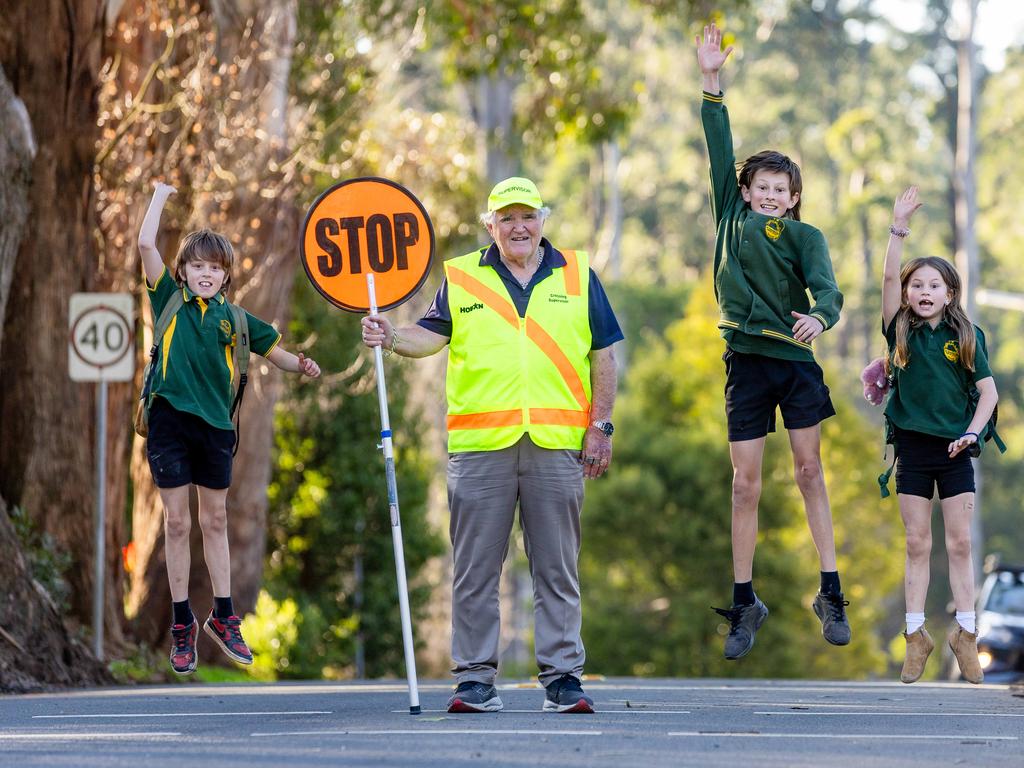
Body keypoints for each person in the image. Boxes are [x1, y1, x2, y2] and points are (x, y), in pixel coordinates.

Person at [361, 177, 622, 713]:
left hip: (558, 446)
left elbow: (603, 356)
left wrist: (603, 425)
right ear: (491, 225)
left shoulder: (577, 275)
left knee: (558, 568)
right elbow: (427, 337)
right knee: (475, 570)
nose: (518, 226)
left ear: (542, 220)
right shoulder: (460, 277)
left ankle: (563, 680)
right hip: (481, 450)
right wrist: (389, 335)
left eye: (527, 216)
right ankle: (475, 679)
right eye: (507, 218)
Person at [696, 24, 850, 660]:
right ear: (746, 190)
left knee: (810, 471)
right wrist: (711, 81)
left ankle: (831, 590)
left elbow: (830, 295)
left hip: (794, 363)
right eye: (759, 186)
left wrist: (822, 319)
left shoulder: (807, 237)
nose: (768, 196)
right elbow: (718, 142)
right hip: (746, 363)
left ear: (791, 200)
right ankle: (743, 601)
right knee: (745, 484)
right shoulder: (730, 213)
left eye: (779, 191)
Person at [138, 181, 321, 674]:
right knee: (177, 523)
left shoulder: (236, 320)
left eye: (214, 268)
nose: (205, 274)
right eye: (197, 266)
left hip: (216, 428)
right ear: (183, 271)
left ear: (225, 277)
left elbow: (273, 350)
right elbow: (144, 244)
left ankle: (223, 616)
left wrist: (299, 364)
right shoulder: (167, 302)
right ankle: (183, 625)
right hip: (169, 422)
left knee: (213, 520)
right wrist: (159, 196)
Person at [880, 186, 998, 685]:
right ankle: (916, 637)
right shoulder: (898, 332)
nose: (924, 292)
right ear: (908, 294)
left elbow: (989, 395)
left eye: (935, 286)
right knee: (917, 542)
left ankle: (965, 634)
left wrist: (971, 435)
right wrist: (898, 226)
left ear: (950, 294)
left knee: (960, 544)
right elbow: (887, 275)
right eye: (917, 286)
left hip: (956, 449)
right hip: (913, 448)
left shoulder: (967, 337)